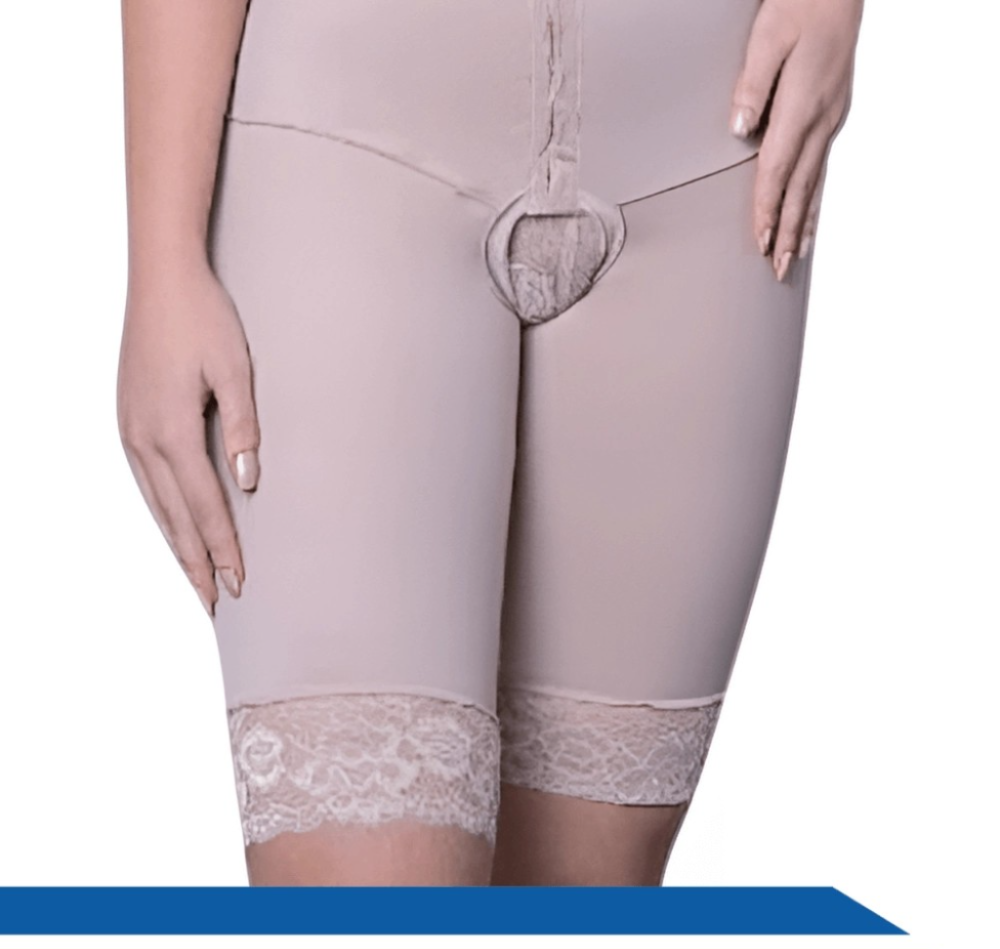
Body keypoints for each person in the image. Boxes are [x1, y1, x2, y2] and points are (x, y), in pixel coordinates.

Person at [116, 0, 864, 887]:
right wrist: (163, 258)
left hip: (706, 148)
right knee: (370, 918)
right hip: (348, 143)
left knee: (580, 917)